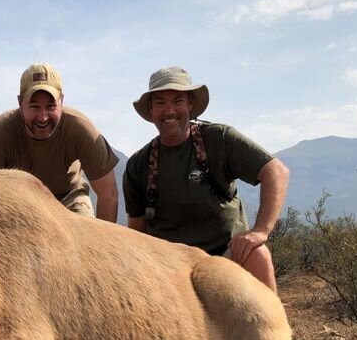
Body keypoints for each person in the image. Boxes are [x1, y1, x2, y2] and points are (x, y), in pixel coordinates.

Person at [123, 67, 288, 291]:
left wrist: (260, 231)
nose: (169, 110)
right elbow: (136, 231)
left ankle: (273, 325)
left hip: (227, 255)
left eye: (178, 100)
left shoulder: (219, 139)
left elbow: (276, 171)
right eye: (160, 102)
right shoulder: (138, 165)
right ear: (151, 110)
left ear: (190, 104)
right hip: (168, 268)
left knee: (257, 255)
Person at [0, 63, 120, 222]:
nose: (43, 117)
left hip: (68, 197)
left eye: (50, 106)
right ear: (20, 103)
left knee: (84, 236)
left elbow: (108, 194)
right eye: (34, 107)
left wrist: (98, 245)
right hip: (17, 203)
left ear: (61, 101)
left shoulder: (81, 129)